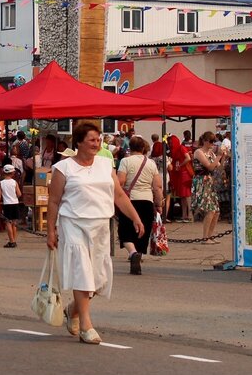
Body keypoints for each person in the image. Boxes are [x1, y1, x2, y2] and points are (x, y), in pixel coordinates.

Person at [47, 121, 144, 345]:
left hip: (101, 225)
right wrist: (51, 231)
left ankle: (73, 310)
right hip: (73, 224)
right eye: (91, 139)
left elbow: (118, 195)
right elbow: (53, 201)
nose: (96, 143)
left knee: (99, 278)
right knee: (82, 272)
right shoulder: (64, 168)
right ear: (79, 142)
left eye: (98, 139)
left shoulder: (104, 164)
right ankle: (86, 326)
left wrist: (135, 217)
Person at [116, 136, 163, 275]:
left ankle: (132, 252)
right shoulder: (151, 163)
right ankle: (138, 256)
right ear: (143, 148)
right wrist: (159, 204)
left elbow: (120, 182)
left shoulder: (125, 161)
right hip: (147, 201)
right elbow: (157, 186)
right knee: (143, 230)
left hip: (129, 201)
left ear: (130, 147)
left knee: (125, 231)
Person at [191, 133, 222, 243]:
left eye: (214, 141)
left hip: (210, 182)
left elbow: (218, 167)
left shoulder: (211, 153)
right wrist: (218, 156)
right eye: (210, 141)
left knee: (216, 211)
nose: (212, 144)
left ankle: (209, 236)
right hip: (202, 181)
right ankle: (205, 237)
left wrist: (223, 157)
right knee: (211, 210)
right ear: (204, 141)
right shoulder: (199, 152)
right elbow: (209, 166)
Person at [166, 133, 192, 222]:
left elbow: (188, 158)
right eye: (169, 143)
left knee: (186, 194)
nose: (170, 144)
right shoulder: (175, 150)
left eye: (171, 142)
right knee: (182, 195)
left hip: (184, 173)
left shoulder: (181, 148)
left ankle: (189, 215)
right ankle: (184, 215)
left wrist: (180, 165)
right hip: (179, 173)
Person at [0, 164, 22, 248]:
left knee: (8, 223)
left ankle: (11, 241)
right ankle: (13, 240)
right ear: (12, 173)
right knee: (14, 223)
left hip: (7, 204)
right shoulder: (14, 182)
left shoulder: (1, 183)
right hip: (15, 203)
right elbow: (19, 194)